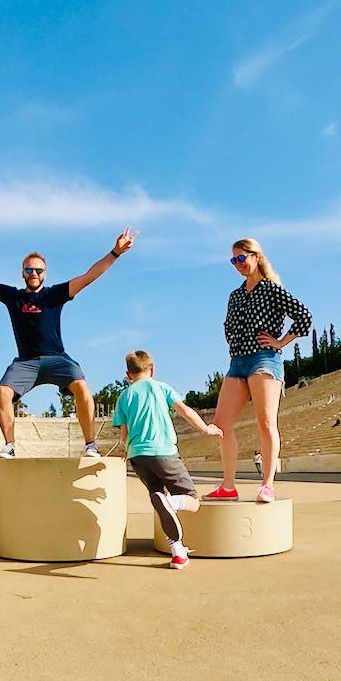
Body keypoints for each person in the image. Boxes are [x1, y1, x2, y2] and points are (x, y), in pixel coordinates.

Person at [0, 227, 138, 459]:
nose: (33, 273)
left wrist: (115, 252)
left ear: (44, 273)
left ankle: (90, 445)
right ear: (22, 273)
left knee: (81, 386)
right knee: (2, 392)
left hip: (57, 358)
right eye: (29, 269)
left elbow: (89, 276)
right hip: (26, 362)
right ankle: (9, 445)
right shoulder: (13, 296)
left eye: (38, 270)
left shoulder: (55, 294)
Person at [205, 238, 312, 503]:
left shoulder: (272, 289)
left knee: (265, 421)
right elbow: (228, 327)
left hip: (265, 358)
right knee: (221, 425)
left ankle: (267, 485)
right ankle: (228, 485)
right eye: (234, 260)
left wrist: (280, 342)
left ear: (256, 257)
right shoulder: (236, 295)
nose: (238, 264)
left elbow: (304, 317)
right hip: (237, 362)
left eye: (241, 258)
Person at [112, 350, 222, 570]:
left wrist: (126, 451)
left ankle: (178, 554)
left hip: (137, 457)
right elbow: (186, 412)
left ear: (128, 374)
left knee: (160, 500)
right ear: (152, 370)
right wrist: (206, 429)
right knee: (190, 499)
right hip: (162, 452)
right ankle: (173, 501)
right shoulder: (161, 387)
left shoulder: (124, 396)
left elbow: (124, 433)